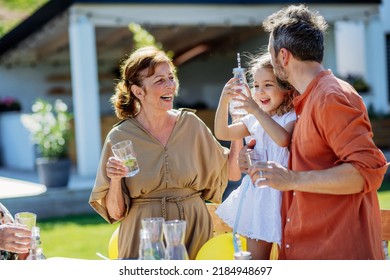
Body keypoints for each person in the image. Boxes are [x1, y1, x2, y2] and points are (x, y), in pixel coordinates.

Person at [245, 4, 389, 259]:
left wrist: (290, 179)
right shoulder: (307, 99)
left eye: (271, 52)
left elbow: (368, 170)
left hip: (337, 255)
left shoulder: (330, 97)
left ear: (284, 56)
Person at [89, 46, 241, 260]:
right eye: (159, 80)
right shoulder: (120, 137)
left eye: (171, 77)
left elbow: (232, 173)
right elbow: (115, 213)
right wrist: (115, 179)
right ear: (138, 91)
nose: (170, 85)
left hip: (193, 230)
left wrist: (237, 125)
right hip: (143, 236)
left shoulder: (191, 125)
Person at [214, 52, 298, 259]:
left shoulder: (291, 116)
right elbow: (222, 132)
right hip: (259, 198)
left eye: (268, 85)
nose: (260, 92)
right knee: (256, 261)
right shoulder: (254, 119)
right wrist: (224, 101)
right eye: (257, 85)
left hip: (284, 197)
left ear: (286, 88)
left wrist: (256, 110)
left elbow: (282, 139)